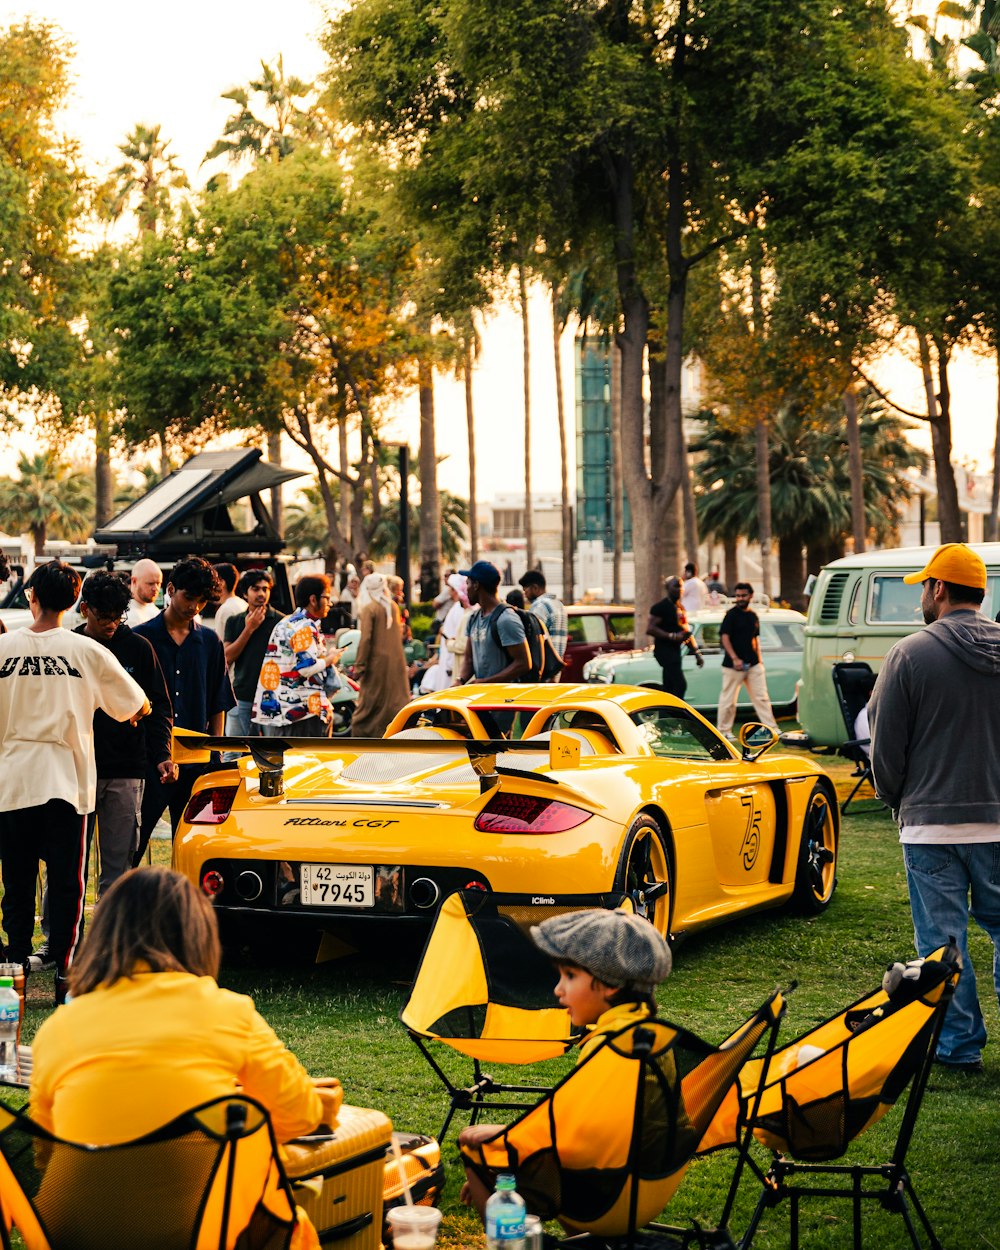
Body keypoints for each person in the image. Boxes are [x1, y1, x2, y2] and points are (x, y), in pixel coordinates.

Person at [29, 868, 339, 1247]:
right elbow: (300, 1115)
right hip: (198, 1234)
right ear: (198, 935)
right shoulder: (227, 1012)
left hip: (74, 1233)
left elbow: (46, 1154)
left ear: (103, 937)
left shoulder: (57, 1029)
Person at [458, 909, 688, 1222]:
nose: (558, 990)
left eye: (570, 976)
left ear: (609, 985)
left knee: (472, 1139)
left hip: (605, 1196)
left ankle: (506, 1240)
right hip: (651, 1184)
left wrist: (497, 1156)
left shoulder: (612, 1047)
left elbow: (575, 1139)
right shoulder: (644, 1033)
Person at [869, 542, 1000, 1074]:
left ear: (939, 589)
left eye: (925, 585)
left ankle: (958, 1048)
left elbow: (886, 745)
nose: (923, 595)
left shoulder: (911, 653)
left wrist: (897, 799)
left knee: (943, 946)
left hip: (931, 828)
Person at [0, 561, 149, 1003]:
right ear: (76, 598)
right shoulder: (88, 650)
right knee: (68, 882)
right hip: (68, 780)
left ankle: (14, 968)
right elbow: (137, 706)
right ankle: (66, 973)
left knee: (18, 880)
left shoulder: (4, 648)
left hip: (13, 780)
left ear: (32, 596)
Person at [73, 572, 175, 899]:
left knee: (119, 869)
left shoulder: (138, 648)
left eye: (119, 616)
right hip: (78, 769)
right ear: (85, 608)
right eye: (104, 617)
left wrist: (162, 755)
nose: (112, 624)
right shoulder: (72, 647)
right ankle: (55, 941)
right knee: (69, 865)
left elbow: (159, 705)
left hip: (127, 768)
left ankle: (111, 938)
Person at [133, 558, 235, 859]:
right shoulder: (143, 638)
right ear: (171, 589)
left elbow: (218, 701)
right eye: (188, 598)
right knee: (132, 846)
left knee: (193, 849)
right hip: (149, 758)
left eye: (202, 601)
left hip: (196, 762)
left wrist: (215, 753)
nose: (194, 607)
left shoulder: (210, 642)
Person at [252, 575, 334, 737]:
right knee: (308, 761)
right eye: (326, 598)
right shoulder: (305, 626)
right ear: (313, 599)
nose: (330, 604)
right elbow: (307, 668)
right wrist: (331, 659)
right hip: (302, 713)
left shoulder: (286, 622)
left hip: (278, 713)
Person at [223, 570, 285, 739]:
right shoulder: (235, 621)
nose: (261, 594)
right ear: (245, 592)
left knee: (272, 752)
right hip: (242, 695)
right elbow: (227, 658)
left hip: (272, 697)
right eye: (255, 589)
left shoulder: (281, 622)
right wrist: (249, 629)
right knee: (233, 749)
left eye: (265, 589)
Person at [716, 582, 779, 739]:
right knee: (728, 700)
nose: (740, 598)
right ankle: (723, 731)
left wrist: (759, 659)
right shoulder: (730, 615)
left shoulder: (752, 615)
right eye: (737, 596)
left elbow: (754, 639)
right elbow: (724, 637)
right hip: (733, 665)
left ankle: (772, 729)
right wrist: (735, 658)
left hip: (753, 664)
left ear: (750, 595)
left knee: (762, 697)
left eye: (743, 595)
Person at [351, 573, 411, 738]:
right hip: (395, 664)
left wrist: (359, 665)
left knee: (368, 708)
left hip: (376, 666)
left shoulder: (369, 609)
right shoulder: (392, 606)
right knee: (392, 705)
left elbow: (365, 640)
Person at [458, 561, 529, 684]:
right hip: (483, 697)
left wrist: (486, 682)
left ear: (476, 585)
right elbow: (469, 659)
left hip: (505, 700)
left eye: (467, 583)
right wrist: (460, 680)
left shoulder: (506, 619)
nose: (466, 589)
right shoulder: (474, 618)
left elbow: (523, 663)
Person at [646, 576, 704, 699]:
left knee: (669, 686)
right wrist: (671, 636)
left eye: (681, 586)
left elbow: (686, 631)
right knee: (680, 685)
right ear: (668, 588)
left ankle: (666, 714)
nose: (680, 589)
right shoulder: (661, 607)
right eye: (676, 586)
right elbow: (650, 628)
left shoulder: (680, 607)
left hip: (676, 651)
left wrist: (696, 652)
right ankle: (676, 712)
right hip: (665, 651)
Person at [519, 570, 569, 660]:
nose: (524, 594)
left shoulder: (540, 606)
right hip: (557, 665)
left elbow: (532, 637)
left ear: (535, 588)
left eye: (525, 589)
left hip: (543, 667)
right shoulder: (559, 604)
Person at [212, 562, 247, 642]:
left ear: (222, 583)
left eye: (213, 581)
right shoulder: (243, 604)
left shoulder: (225, 610)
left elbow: (221, 646)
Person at [127, 558, 162, 625]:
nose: (155, 588)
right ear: (134, 581)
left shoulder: (154, 610)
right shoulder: (126, 616)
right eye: (150, 584)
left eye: (158, 583)